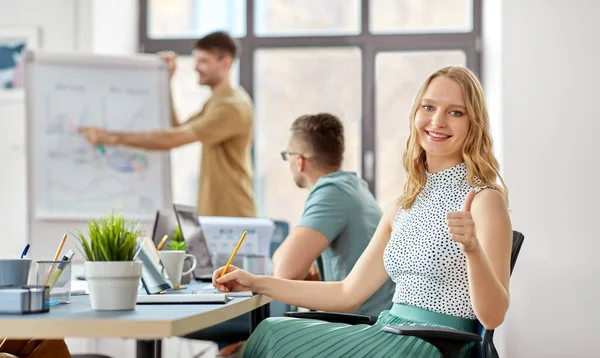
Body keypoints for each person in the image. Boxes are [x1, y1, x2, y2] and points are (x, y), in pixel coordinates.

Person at [212, 66, 513, 357]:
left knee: (270, 338)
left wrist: (472, 249)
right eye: (428, 107)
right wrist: (256, 282)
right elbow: (347, 293)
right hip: (388, 331)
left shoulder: (484, 200)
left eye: (455, 112)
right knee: (271, 330)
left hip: (431, 346)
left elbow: (493, 317)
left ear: (473, 124)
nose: (438, 121)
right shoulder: (404, 202)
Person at [200, 113, 395, 357]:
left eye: (287, 156)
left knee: (241, 349)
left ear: (299, 161)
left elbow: (285, 269)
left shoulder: (331, 192)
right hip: (371, 318)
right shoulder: (355, 187)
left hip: (363, 325)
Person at [79, 31, 256, 217]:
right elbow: (175, 129)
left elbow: (172, 139)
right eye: (196, 61)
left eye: (204, 61)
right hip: (217, 216)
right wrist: (167, 81)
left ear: (225, 63)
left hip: (234, 217)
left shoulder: (232, 107)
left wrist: (108, 137)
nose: (196, 68)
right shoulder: (216, 102)